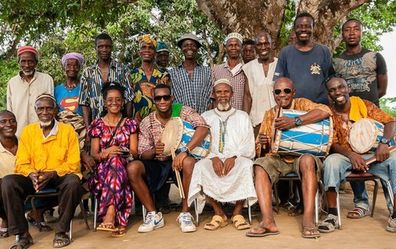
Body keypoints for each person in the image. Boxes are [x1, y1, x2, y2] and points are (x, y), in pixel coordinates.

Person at [246, 77, 331, 238]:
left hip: (302, 157)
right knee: (259, 164)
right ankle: (268, 221)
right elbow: (260, 150)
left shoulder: (303, 104)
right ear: (273, 94)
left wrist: (295, 121)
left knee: (307, 160)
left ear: (293, 92)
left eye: (286, 91)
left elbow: (326, 111)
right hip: (278, 158)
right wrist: (264, 144)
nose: (282, 95)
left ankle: (308, 219)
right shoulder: (270, 114)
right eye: (277, 91)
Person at [318, 76, 396, 234]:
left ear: (348, 88)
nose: (338, 92)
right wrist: (351, 155)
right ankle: (332, 215)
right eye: (333, 90)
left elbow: (390, 122)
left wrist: (383, 143)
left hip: (372, 154)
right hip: (345, 156)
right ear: (329, 95)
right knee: (331, 162)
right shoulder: (328, 114)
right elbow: (332, 143)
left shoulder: (364, 105)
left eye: (341, 87)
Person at [1, 94, 82, 249]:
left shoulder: (67, 131)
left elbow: (74, 164)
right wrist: (31, 174)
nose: (45, 112)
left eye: (49, 108)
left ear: (55, 110)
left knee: (74, 181)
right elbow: (21, 163)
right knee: (8, 181)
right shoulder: (28, 131)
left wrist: (53, 173)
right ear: (36, 111)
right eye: (41, 108)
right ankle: (23, 235)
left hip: (58, 176)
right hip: (35, 177)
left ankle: (61, 232)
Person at [127, 84, 209, 233]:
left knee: (189, 162)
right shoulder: (147, 121)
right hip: (157, 163)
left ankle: (185, 213)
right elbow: (141, 153)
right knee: (133, 168)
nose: (162, 101)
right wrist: (153, 151)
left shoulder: (184, 111)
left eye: (166, 97)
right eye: (158, 98)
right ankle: (153, 215)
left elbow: (203, 127)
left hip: (179, 159)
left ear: (172, 99)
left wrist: (185, 151)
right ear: (154, 100)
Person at [333, 19, 389, 219]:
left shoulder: (375, 57)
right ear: (342, 34)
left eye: (356, 29)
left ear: (361, 32)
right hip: (348, 116)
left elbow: (382, 89)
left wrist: (366, 105)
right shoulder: (336, 61)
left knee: (383, 155)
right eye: (347, 30)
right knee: (354, 155)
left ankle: (393, 206)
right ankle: (361, 202)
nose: (351, 33)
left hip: (371, 114)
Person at [188, 79, 257, 231]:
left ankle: (237, 213)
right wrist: (212, 157)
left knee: (246, 165)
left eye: (226, 91)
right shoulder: (205, 116)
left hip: (238, 157)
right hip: (212, 156)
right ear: (214, 94)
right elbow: (200, 143)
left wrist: (234, 157)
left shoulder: (242, 116)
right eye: (219, 92)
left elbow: (249, 143)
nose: (222, 95)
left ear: (232, 94)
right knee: (200, 167)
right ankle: (219, 213)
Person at [88, 82, 138, 237]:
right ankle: (118, 219)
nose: (114, 102)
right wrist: (107, 152)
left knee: (117, 163)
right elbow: (94, 155)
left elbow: (134, 152)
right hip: (102, 172)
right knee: (114, 165)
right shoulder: (97, 124)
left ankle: (110, 215)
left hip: (125, 167)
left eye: (118, 99)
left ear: (123, 102)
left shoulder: (130, 124)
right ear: (104, 102)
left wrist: (118, 150)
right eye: (110, 99)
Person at [274, 12, 334, 105]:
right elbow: (279, 82)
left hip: (320, 107)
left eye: (307, 26)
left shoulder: (323, 51)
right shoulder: (285, 52)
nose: (303, 29)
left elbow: (330, 79)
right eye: (299, 26)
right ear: (294, 29)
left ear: (313, 28)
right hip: (293, 107)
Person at [79, 32, 134, 126]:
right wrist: (88, 129)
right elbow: (84, 103)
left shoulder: (123, 69)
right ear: (96, 48)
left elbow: (129, 100)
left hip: (119, 126)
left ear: (111, 48)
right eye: (101, 46)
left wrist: (126, 125)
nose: (104, 49)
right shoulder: (88, 72)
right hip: (96, 127)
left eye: (107, 46)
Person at [7, 46, 54, 136]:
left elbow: (51, 108)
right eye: (23, 61)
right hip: (19, 133)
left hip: (41, 133)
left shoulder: (47, 79)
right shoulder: (12, 83)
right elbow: (10, 110)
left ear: (36, 62)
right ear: (18, 62)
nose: (27, 65)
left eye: (30, 61)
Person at [242, 31, 278, 134]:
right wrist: (245, 120)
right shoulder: (249, 67)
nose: (263, 47)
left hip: (277, 119)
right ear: (255, 47)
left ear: (271, 45)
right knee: (258, 149)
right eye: (259, 44)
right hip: (257, 120)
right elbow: (247, 96)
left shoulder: (280, 64)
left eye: (266, 43)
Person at [169, 33, 213, 114]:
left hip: (204, 118)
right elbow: (172, 99)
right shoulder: (172, 73)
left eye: (193, 45)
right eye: (186, 45)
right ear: (181, 48)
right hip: (182, 120)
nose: (189, 47)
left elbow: (211, 97)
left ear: (197, 48)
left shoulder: (207, 71)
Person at [131, 34, 170, 122]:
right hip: (137, 124)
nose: (147, 50)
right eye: (143, 47)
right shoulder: (132, 75)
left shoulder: (163, 75)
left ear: (155, 53)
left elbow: (168, 100)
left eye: (150, 48)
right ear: (139, 52)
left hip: (159, 123)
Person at [212, 33, 251, 112]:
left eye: (237, 45)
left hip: (241, 118)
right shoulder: (216, 70)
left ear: (241, 47)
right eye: (230, 45)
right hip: (221, 117)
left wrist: (245, 117)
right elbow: (213, 98)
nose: (233, 48)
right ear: (225, 47)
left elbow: (249, 97)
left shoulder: (248, 70)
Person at [0, 111, 18, 238]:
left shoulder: (26, 143)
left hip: (26, 185)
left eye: (12, 121)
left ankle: (36, 213)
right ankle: (5, 217)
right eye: (3, 122)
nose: (9, 124)